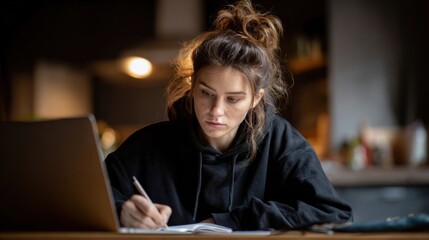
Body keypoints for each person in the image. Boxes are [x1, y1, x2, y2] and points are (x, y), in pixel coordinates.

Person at [105, 0, 352, 231]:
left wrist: (228, 221)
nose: (216, 111)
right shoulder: (149, 145)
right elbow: (86, 199)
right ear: (192, 87)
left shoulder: (280, 141)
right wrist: (121, 212)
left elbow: (334, 213)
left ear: (256, 99)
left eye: (233, 99)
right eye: (206, 93)